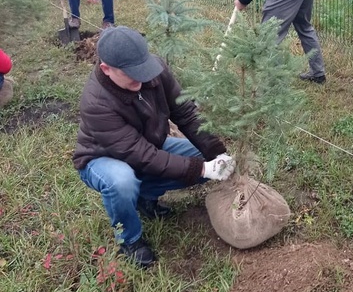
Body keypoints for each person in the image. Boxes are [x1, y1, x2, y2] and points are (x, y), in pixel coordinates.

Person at [74, 26, 235, 267]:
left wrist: (216, 153)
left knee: (203, 157)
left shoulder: (154, 70)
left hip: (148, 147)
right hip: (101, 158)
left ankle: (145, 197)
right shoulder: (96, 102)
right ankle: (130, 239)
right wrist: (202, 169)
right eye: (131, 73)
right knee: (122, 181)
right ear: (106, 69)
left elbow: (185, 112)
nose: (141, 78)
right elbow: (141, 155)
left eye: (143, 69)